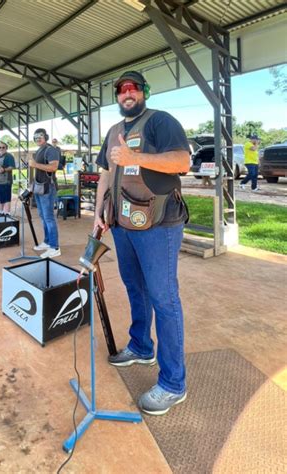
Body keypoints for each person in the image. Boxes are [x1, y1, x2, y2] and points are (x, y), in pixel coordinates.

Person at [94, 70, 191, 416]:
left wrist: (137, 159)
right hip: (122, 224)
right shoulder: (112, 132)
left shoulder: (159, 122)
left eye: (133, 88)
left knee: (164, 299)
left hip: (158, 225)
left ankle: (173, 384)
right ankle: (140, 346)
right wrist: (98, 214)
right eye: (121, 89)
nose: (127, 93)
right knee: (135, 288)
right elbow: (106, 173)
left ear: (145, 92)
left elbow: (182, 161)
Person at [28, 128, 61, 258]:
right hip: (39, 187)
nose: (37, 139)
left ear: (45, 137)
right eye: (35, 137)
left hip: (48, 187)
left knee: (48, 217)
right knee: (42, 216)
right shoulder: (39, 150)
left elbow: (53, 167)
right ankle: (48, 242)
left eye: (40, 136)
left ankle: (55, 247)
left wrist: (35, 164)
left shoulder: (50, 150)